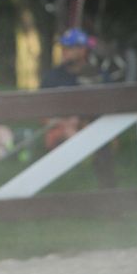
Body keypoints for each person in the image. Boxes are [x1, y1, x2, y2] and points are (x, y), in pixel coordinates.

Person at [40, 28, 115, 187]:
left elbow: (110, 108)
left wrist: (83, 122)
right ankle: (74, 177)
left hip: (93, 127)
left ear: (82, 50)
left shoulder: (99, 75)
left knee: (101, 140)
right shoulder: (51, 77)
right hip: (59, 128)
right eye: (63, 48)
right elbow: (41, 113)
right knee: (63, 132)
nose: (64, 52)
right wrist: (63, 123)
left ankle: (105, 191)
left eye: (69, 48)